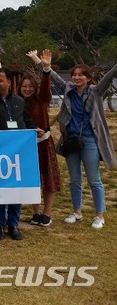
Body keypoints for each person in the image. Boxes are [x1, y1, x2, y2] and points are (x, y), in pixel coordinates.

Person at [46, 54, 117, 229]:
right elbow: (54, 78)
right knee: (74, 179)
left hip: (90, 140)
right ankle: (77, 212)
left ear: (89, 78)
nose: (77, 77)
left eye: (81, 75)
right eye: (75, 75)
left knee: (94, 179)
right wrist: (43, 65)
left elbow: (108, 77)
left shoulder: (95, 91)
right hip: (70, 140)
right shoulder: (68, 89)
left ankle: (99, 215)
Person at [0, 67, 42, 241]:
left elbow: (25, 120)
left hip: (17, 152)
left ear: (8, 82)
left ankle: (13, 224)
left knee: (15, 187)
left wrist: (34, 129)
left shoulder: (19, 100)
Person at [22, 49, 62, 227]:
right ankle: (36, 212)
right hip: (27, 145)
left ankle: (47, 213)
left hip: (44, 142)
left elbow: (46, 86)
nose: (28, 89)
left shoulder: (42, 99)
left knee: (48, 178)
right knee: (33, 179)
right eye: (24, 86)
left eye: (30, 86)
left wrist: (46, 69)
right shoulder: (17, 102)